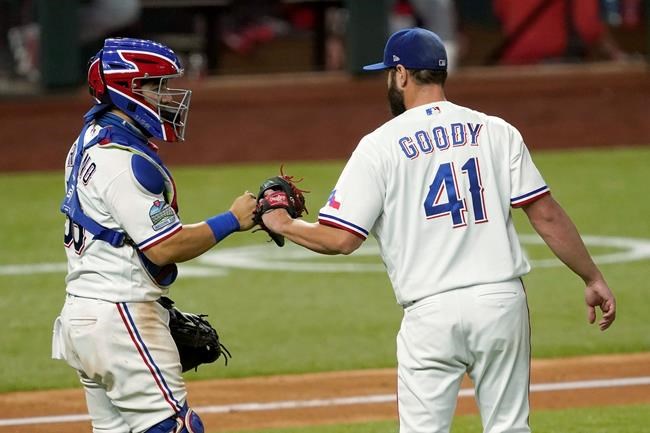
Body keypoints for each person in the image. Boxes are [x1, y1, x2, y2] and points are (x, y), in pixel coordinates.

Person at [260, 28, 616, 433]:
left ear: (402, 74)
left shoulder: (379, 146)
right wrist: (592, 277)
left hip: (431, 312)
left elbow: (341, 239)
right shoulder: (495, 130)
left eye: (388, 74)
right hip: (500, 302)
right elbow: (546, 215)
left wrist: (285, 223)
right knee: (510, 427)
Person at [52, 37, 256, 433]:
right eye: (156, 86)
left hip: (83, 316)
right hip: (120, 315)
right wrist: (233, 219)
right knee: (176, 428)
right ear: (127, 90)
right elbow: (165, 247)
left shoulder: (88, 140)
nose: (167, 97)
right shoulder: (123, 164)